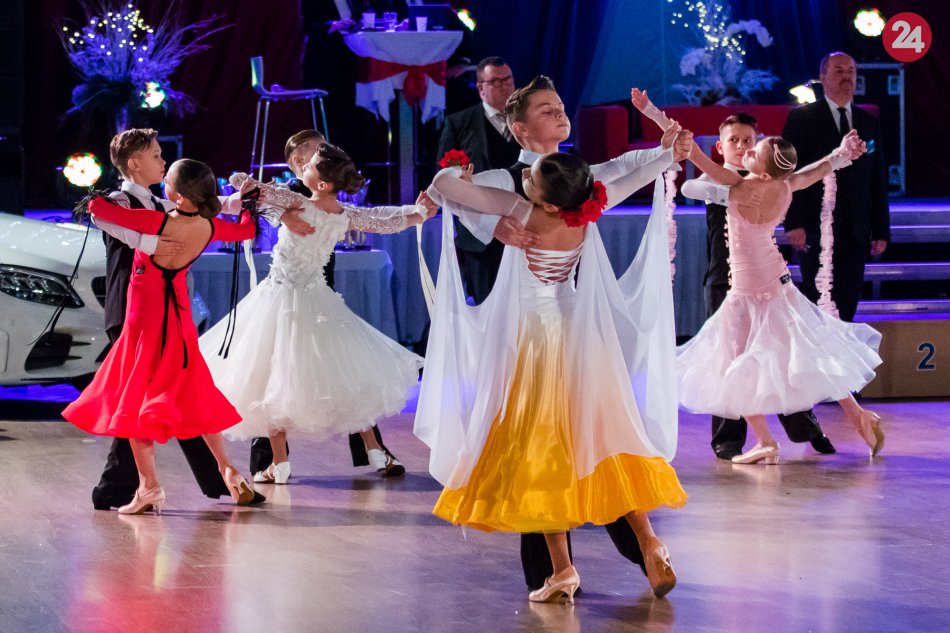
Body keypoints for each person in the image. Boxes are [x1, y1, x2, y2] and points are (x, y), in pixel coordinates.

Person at [419, 146, 691, 602]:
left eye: (531, 178)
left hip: (537, 342)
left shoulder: (520, 209)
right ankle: (649, 541)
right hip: (580, 340)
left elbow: (442, 186)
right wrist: (668, 154)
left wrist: (456, 174)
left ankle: (563, 569)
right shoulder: (588, 207)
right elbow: (637, 175)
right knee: (603, 442)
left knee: (541, 452)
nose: (524, 176)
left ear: (545, 202)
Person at [200, 144, 434, 482]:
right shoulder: (344, 214)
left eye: (308, 166)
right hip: (319, 300)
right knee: (343, 372)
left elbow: (242, 183)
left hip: (280, 299)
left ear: (322, 183)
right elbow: (383, 222)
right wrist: (417, 214)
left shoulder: (297, 202)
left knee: (272, 374)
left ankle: (280, 462)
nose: (302, 168)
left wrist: (251, 186)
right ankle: (372, 448)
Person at [63, 159, 266, 513]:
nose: (164, 186)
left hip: (146, 322)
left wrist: (94, 194)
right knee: (193, 394)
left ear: (181, 197)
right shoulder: (209, 227)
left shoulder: (157, 221)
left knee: (136, 401)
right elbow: (247, 231)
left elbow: (102, 210)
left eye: (169, 182)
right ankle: (228, 470)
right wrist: (247, 207)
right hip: (180, 321)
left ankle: (149, 486)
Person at [674, 108, 837, 459]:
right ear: (721, 146)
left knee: (781, 353)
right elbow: (690, 186)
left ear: (758, 144)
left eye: (747, 140)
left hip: (765, 280)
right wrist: (732, 192)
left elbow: (804, 177)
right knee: (729, 359)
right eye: (733, 140)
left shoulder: (768, 181)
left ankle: (805, 428)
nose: (741, 145)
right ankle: (729, 438)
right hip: (724, 281)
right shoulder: (717, 179)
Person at [244, 130, 406, 480]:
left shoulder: (311, 197)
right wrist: (283, 216)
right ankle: (271, 459)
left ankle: (286, 462)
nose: (326, 152)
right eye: (318, 151)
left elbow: (247, 188)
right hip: (304, 292)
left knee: (323, 368)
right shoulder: (306, 196)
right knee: (282, 368)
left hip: (306, 292)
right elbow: (256, 202)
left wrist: (285, 210)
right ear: (299, 160)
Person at [89, 129, 227, 510]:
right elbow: (115, 224)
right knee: (145, 401)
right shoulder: (117, 201)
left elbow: (196, 207)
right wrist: (154, 241)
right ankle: (216, 478)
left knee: (165, 396)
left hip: (163, 313)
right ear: (134, 163)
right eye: (155, 155)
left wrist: (234, 202)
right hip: (129, 311)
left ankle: (214, 479)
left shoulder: (159, 203)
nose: (163, 161)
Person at [782, 52, 890, 322]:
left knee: (849, 293)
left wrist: (880, 229)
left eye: (851, 71)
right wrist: (793, 222)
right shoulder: (802, 118)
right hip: (814, 222)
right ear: (823, 77)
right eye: (839, 71)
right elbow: (789, 173)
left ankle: (844, 346)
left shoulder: (868, 122)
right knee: (817, 291)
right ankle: (818, 347)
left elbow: (876, 178)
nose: (846, 77)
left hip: (856, 224)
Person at [437, 56, 521, 305]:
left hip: (524, 229)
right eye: (496, 81)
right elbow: (445, 178)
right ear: (481, 88)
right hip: (481, 237)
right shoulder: (459, 123)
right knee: (488, 309)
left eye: (508, 80)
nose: (505, 86)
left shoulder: (528, 120)